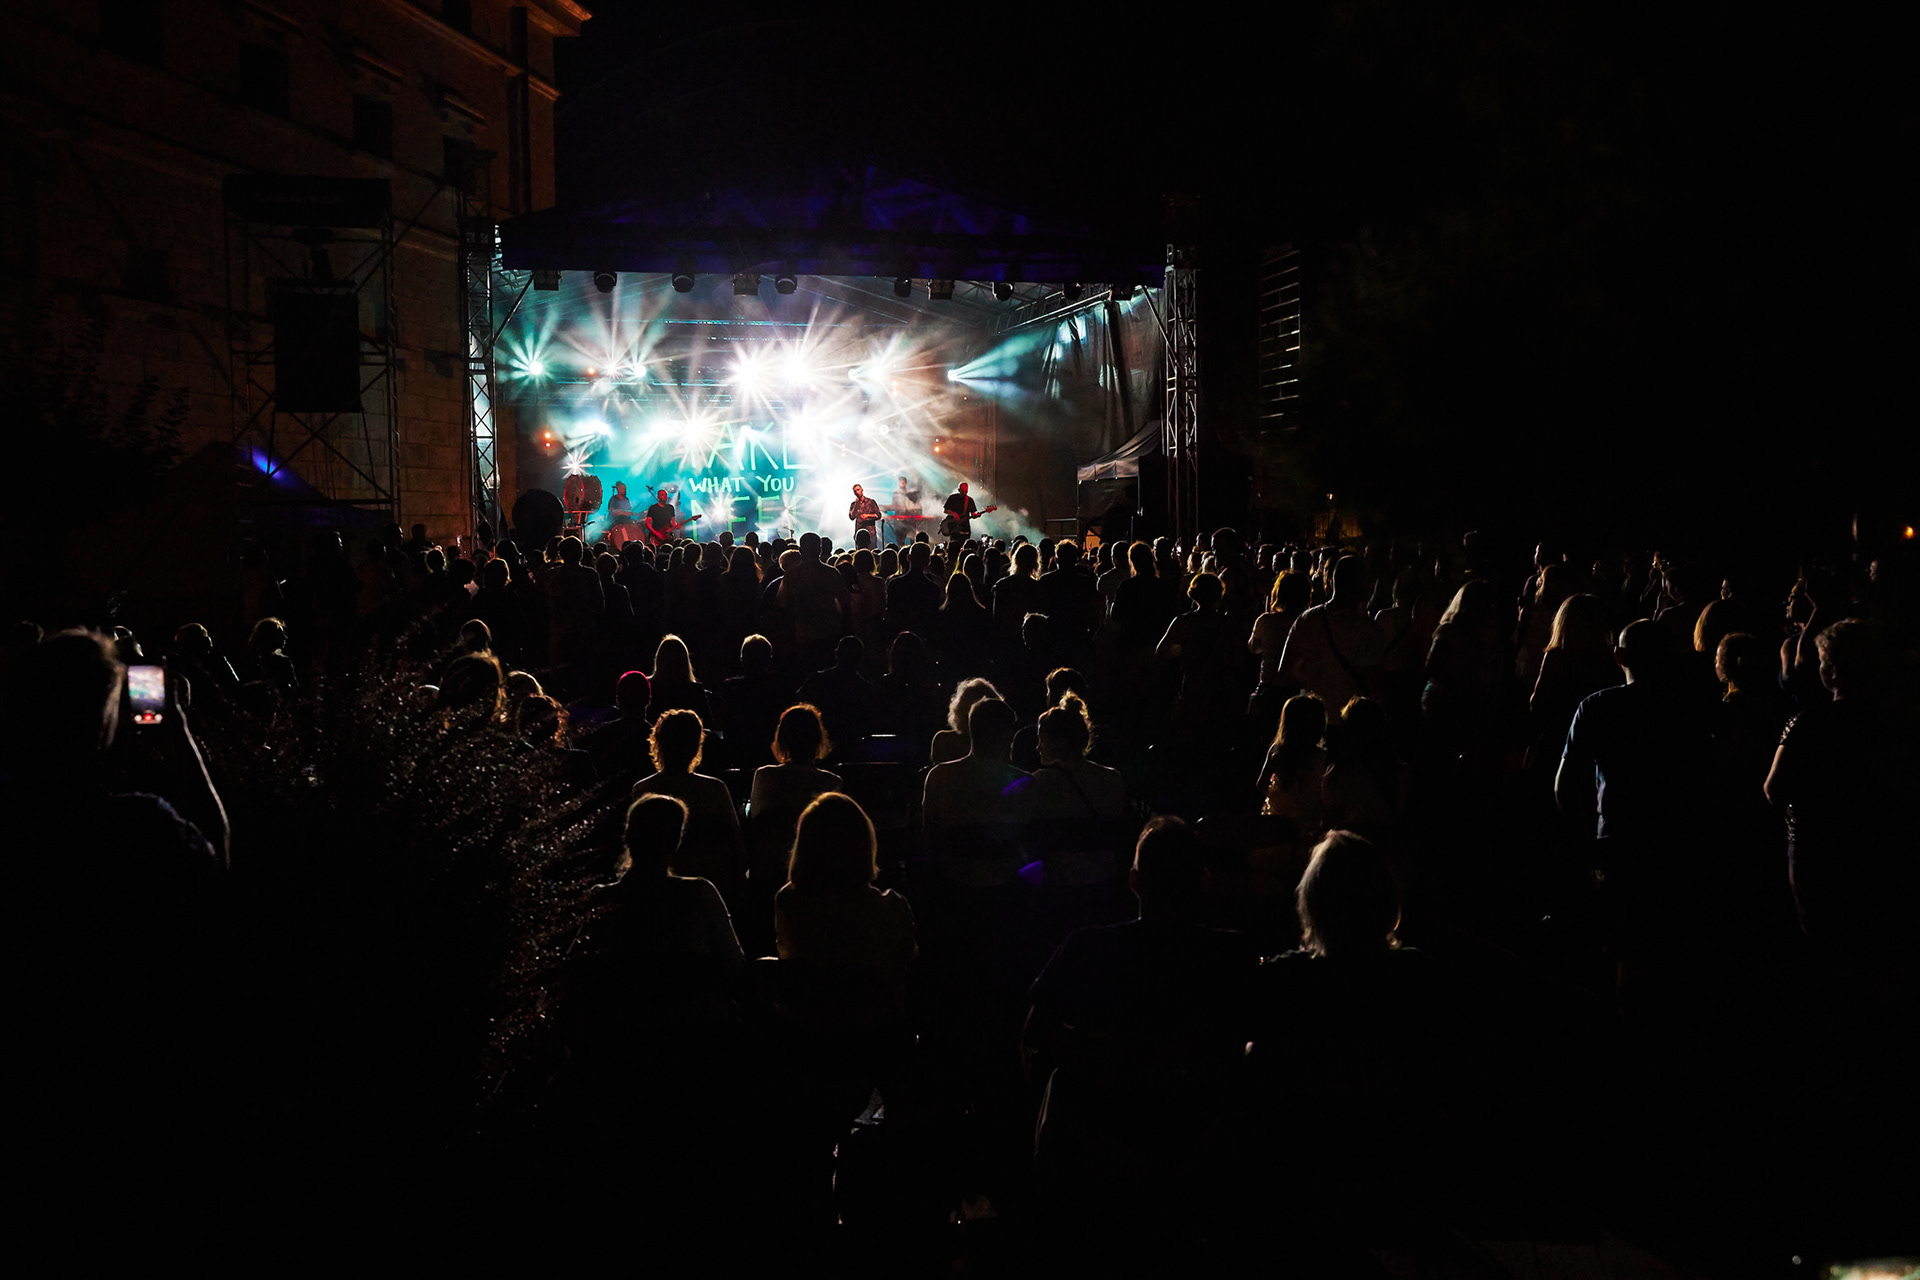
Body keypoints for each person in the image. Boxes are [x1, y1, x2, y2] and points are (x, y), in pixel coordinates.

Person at [1023, 816, 1258, 1229]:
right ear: (1203, 881)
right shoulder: (1233, 957)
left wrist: (1109, 1061)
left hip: (1099, 1144)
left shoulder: (1087, 949)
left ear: (1134, 881)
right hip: (1199, 1142)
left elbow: (1036, 1034)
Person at [774, 793, 917, 1005]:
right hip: (873, 1019)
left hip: (806, 1020)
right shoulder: (892, 908)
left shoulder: (788, 902)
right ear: (864, 844)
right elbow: (907, 965)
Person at [746, 705, 842, 951]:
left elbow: (756, 825)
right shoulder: (831, 782)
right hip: (815, 880)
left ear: (782, 738)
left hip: (768, 877)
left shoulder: (764, 777)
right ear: (818, 739)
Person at [632, 709, 746, 908]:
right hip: (711, 888)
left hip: (659, 894)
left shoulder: (644, 789)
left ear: (659, 743)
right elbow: (737, 846)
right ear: (696, 746)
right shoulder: (715, 789)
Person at [942, 481, 983, 559]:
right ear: (959, 490)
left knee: (965, 550)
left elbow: (973, 514)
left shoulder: (970, 500)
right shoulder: (952, 498)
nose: (964, 493)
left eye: (966, 491)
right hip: (954, 529)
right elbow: (945, 510)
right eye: (963, 491)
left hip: (965, 529)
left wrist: (976, 515)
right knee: (954, 550)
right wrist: (954, 513)